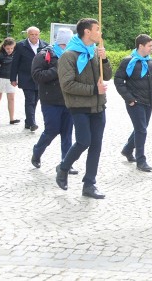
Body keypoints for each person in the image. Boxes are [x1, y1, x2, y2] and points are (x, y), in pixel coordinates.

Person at [55, 18, 112, 199]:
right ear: (87, 32)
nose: (100, 33)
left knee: (96, 145)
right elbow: (67, 85)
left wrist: (104, 59)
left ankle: (89, 184)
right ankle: (63, 167)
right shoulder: (69, 55)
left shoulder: (95, 52)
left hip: (98, 106)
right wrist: (94, 89)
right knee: (83, 141)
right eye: (97, 29)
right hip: (79, 106)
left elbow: (107, 75)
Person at [115, 34, 152, 172]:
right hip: (135, 101)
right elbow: (118, 81)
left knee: (141, 127)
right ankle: (141, 160)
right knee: (141, 130)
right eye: (150, 46)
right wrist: (129, 98)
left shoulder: (151, 62)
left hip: (149, 101)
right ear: (141, 46)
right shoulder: (128, 61)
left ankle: (127, 150)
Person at [31, 29, 76, 173]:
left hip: (69, 100)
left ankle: (66, 163)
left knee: (67, 133)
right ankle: (37, 152)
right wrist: (57, 69)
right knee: (52, 130)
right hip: (50, 100)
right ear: (61, 42)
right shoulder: (44, 55)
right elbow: (37, 75)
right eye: (66, 44)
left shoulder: (72, 56)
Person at [10, 26, 48, 131]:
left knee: (35, 100)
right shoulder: (21, 45)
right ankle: (32, 123)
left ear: (39, 34)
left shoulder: (45, 45)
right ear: (28, 35)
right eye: (32, 34)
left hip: (40, 78)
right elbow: (15, 63)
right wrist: (13, 78)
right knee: (30, 100)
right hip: (26, 77)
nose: (34, 36)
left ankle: (28, 121)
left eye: (36, 34)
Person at [0, 38, 20, 124]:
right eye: (8, 48)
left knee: (11, 98)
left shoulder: (16, 55)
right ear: (4, 47)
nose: (10, 50)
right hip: (0, 78)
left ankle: (12, 118)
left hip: (11, 79)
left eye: (12, 48)